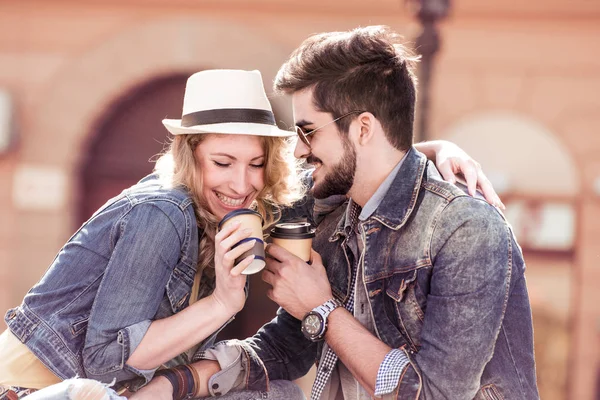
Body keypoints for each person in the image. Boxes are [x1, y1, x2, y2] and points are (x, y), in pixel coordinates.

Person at [0, 68, 496, 400]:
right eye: (222, 162)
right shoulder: (164, 212)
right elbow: (105, 363)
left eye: (256, 163)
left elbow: (347, 170)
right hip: (41, 386)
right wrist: (222, 304)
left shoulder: (238, 202)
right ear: (189, 156)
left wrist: (431, 151)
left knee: (278, 393)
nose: (240, 183)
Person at [140, 26, 539, 399]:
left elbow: (433, 393)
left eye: (308, 131)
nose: (298, 150)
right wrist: (180, 382)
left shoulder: (466, 229)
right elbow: (289, 345)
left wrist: (321, 309)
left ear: (364, 128)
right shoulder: (335, 213)